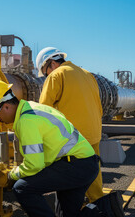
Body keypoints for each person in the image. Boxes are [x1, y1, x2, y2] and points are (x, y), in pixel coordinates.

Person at [0, 79, 100, 217]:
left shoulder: (26, 120)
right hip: (84, 163)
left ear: (6, 106)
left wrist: (12, 175)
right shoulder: (32, 107)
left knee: (22, 188)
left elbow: (34, 165)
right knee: (67, 214)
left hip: (75, 165)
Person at [36, 47, 105, 203]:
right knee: (92, 171)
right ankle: (99, 204)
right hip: (94, 131)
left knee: (68, 174)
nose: (46, 75)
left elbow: (43, 109)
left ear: (52, 63)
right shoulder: (87, 74)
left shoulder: (57, 75)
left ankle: (73, 207)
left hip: (74, 137)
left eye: (45, 71)